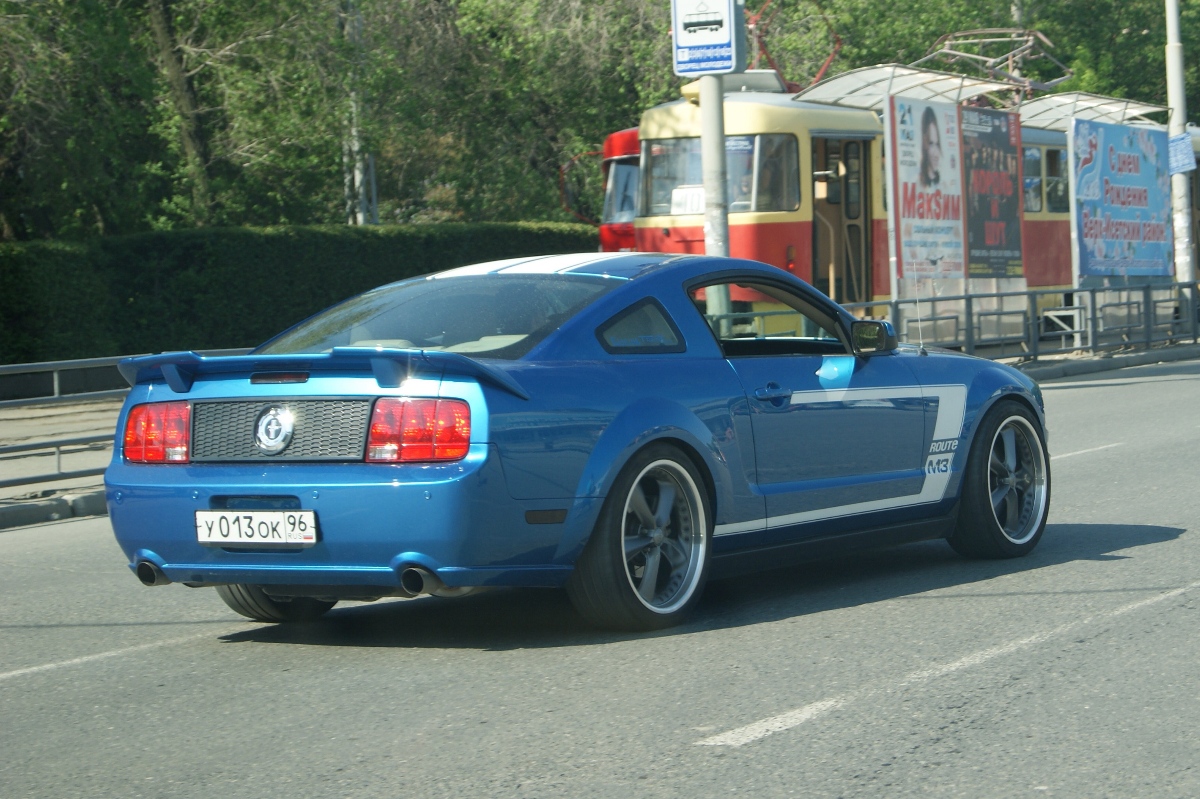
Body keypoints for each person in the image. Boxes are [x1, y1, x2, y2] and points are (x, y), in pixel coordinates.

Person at [920, 106, 941, 188]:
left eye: (937, 144)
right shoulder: (919, 182)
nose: (936, 154)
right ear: (924, 143)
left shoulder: (943, 184)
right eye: (931, 144)